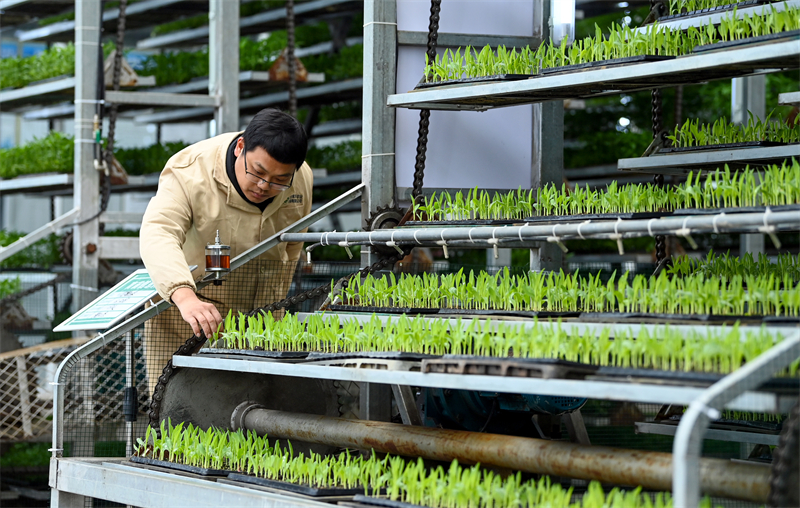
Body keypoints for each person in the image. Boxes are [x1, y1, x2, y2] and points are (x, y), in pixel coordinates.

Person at [139, 108, 312, 392]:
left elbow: (292, 246)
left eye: (279, 180)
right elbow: (159, 232)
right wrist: (185, 296)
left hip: (260, 316)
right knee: (181, 405)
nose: (263, 186)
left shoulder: (301, 178)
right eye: (257, 172)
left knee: (253, 405)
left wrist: (275, 306)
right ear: (241, 146)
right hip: (191, 313)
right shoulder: (190, 170)